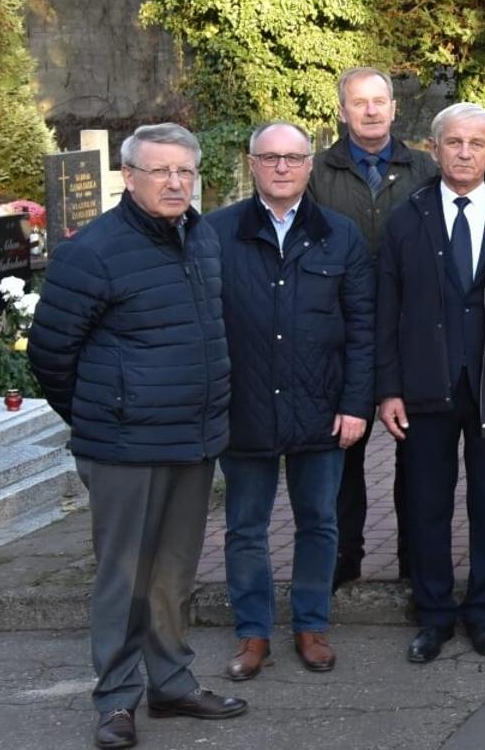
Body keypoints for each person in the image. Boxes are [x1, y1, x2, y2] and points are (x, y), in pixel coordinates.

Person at [30, 123, 246, 749]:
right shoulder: (92, 251)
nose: (175, 182)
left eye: (185, 170)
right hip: (124, 447)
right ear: (129, 177)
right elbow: (49, 355)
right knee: (124, 580)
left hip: (193, 438)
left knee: (173, 575)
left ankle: (172, 683)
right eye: (160, 171)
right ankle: (116, 701)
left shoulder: (201, 236)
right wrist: (105, 415)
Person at [376, 103, 485, 664]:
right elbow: (386, 312)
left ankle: (481, 610)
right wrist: (388, 389)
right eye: (454, 142)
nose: (465, 152)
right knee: (426, 504)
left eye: (477, 144)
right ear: (434, 149)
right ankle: (432, 614)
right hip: (427, 386)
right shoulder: (405, 220)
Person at [207, 122, 376, 683]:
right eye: (270, 157)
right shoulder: (216, 232)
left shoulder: (341, 234)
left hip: (320, 406)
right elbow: (206, 326)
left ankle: (311, 625)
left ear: (309, 165)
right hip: (245, 408)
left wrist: (357, 404)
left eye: (293, 158)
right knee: (245, 528)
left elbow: (362, 328)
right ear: (252, 163)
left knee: (319, 523)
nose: (282, 167)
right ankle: (253, 634)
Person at [307, 66, 438, 588]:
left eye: (379, 101)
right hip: (341, 332)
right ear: (343, 110)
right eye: (359, 102)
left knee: (418, 456)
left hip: (413, 333)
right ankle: (344, 558)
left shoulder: (424, 168)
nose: (370, 110)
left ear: (393, 107)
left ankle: (414, 558)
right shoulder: (317, 173)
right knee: (344, 451)